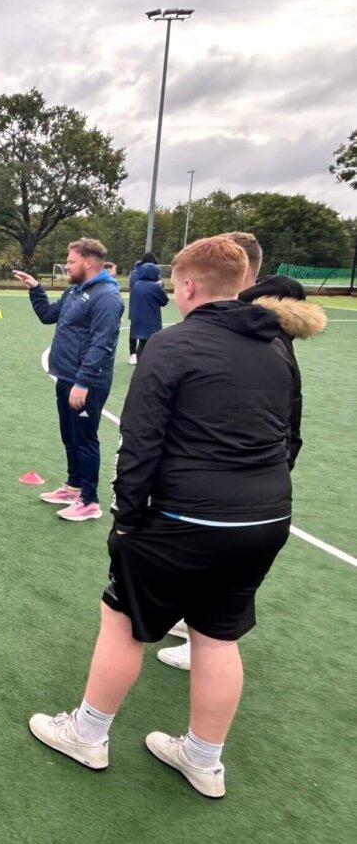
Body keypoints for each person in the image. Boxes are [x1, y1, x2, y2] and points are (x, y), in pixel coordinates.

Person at [28, 236, 297, 799]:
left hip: (183, 519)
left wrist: (127, 518)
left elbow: (139, 441)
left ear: (190, 285)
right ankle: (203, 759)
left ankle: (88, 732)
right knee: (218, 636)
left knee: (122, 621)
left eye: (176, 286)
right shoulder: (277, 345)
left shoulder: (173, 346)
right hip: (264, 519)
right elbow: (290, 439)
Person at [156, 233, 326, 671]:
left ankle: (92, 725)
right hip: (261, 494)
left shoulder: (256, 330)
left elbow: (280, 411)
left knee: (210, 633)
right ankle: (201, 739)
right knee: (218, 628)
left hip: (222, 496)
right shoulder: (263, 328)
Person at [13, 238, 122, 521]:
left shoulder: (106, 297)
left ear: (88, 262)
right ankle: (74, 486)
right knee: (69, 435)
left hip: (87, 383)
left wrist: (83, 383)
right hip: (65, 377)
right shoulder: (75, 290)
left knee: (85, 439)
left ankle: (89, 500)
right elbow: (48, 315)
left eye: (71, 261)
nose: (67, 266)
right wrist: (36, 288)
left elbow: (102, 344)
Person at [128, 262, 168, 364]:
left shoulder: (137, 285)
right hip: (151, 319)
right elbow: (164, 301)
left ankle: (140, 362)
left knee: (143, 342)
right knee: (151, 343)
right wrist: (161, 287)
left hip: (137, 318)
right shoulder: (154, 287)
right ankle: (146, 365)